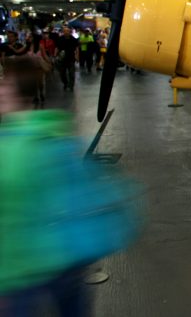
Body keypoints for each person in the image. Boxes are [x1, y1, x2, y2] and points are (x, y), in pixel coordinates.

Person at [0, 56, 143, 317]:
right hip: (69, 259)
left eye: (3, 83)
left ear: (11, 91)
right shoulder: (57, 132)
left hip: (21, 272)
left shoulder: (8, 148)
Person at [55, 26, 79, 91]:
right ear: (63, 32)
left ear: (70, 32)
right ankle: (65, 83)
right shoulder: (60, 39)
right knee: (62, 73)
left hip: (71, 58)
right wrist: (55, 56)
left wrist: (77, 56)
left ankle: (71, 85)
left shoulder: (73, 39)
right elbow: (57, 47)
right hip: (62, 59)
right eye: (64, 31)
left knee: (72, 73)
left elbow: (77, 48)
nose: (66, 32)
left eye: (67, 31)